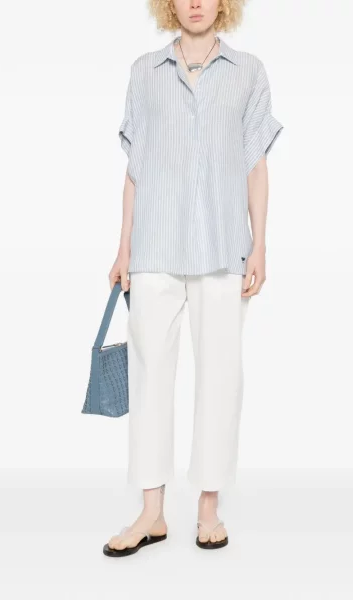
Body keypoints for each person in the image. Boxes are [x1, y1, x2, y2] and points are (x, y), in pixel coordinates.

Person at [103, 0, 283, 556]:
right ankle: (151, 513)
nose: (196, 2)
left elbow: (256, 164)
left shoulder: (248, 71)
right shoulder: (144, 71)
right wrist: (124, 246)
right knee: (149, 377)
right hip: (155, 247)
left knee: (220, 376)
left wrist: (259, 243)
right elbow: (135, 170)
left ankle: (208, 507)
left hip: (224, 248)